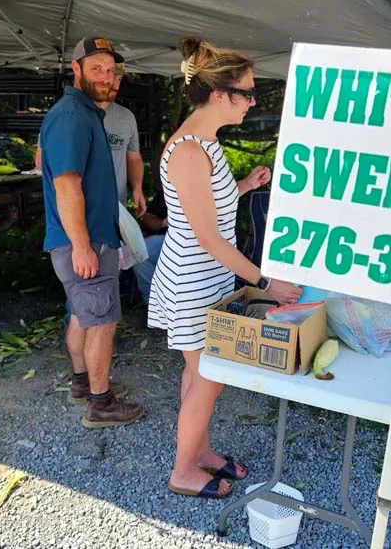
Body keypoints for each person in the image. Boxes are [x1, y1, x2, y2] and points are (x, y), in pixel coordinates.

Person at [148, 37, 301, 498]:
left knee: (200, 374)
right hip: (193, 280)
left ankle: (201, 454)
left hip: (206, 276)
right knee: (211, 376)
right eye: (247, 93)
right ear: (219, 95)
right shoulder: (189, 151)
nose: (252, 102)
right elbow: (208, 236)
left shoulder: (206, 142)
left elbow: (206, 210)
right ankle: (183, 471)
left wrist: (243, 184)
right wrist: (267, 282)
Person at [39, 35, 144, 429]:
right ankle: (101, 403)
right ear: (76, 70)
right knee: (102, 320)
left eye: (110, 70)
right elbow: (66, 185)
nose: (105, 76)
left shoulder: (85, 114)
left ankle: (82, 383)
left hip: (84, 239)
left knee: (84, 316)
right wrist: (82, 246)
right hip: (84, 241)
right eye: (96, 68)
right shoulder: (72, 116)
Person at [100, 63, 146, 216]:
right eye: (114, 78)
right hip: (78, 210)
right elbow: (41, 160)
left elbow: (134, 157)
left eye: (120, 79)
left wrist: (137, 187)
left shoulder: (126, 117)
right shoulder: (70, 114)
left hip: (117, 209)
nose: (117, 85)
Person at [133, 187, 168, 304]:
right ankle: (153, 302)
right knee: (140, 253)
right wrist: (163, 223)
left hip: (195, 242)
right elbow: (147, 217)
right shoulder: (170, 189)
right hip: (166, 238)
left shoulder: (207, 188)